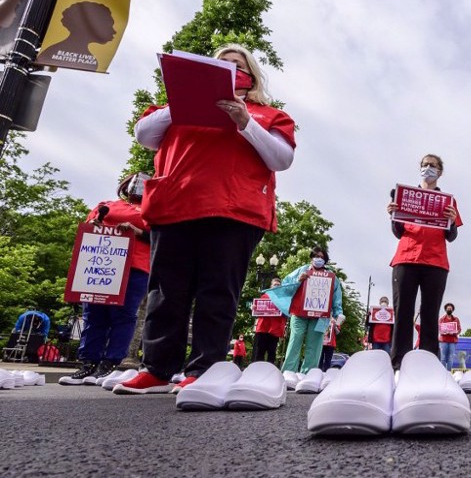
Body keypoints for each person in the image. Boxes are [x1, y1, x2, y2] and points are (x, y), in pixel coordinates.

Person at [119, 43, 296, 394]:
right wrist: (185, 100)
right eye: (221, 65)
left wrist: (245, 121)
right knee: (166, 290)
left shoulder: (268, 114)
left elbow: (281, 158)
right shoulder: (174, 110)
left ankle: (203, 370)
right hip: (175, 205)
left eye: (237, 65)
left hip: (233, 210)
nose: (230, 69)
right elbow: (145, 136)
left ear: (251, 76)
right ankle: (156, 368)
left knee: (217, 291)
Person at [60, 174, 152, 386]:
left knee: (124, 314)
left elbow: (160, 236)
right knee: (93, 313)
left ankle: (109, 364)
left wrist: (136, 231)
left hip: (135, 267)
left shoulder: (153, 210)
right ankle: (88, 363)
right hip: (101, 265)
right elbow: (88, 227)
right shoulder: (107, 205)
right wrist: (94, 223)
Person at [386, 154, 462, 368]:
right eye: (425, 165)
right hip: (406, 257)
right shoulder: (405, 196)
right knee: (403, 311)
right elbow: (398, 231)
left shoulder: (448, 201)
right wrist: (393, 214)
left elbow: (451, 236)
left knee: (430, 312)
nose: (428, 168)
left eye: (433, 165)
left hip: (435, 261)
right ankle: (399, 361)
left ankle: (428, 361)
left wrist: (452, 220)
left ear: (440, 171)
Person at [280, 247, 344, 375]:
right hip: (299, 314)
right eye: (316, 256)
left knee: (314, 346)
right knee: (295, 341)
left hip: (320, 317)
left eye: (321, 257)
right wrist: (298, 280)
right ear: (311, 257)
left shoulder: (332, 277)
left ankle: (308, 374)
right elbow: (285, 287)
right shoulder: (302, 271)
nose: (318, 259)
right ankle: (288, 373)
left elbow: (336, 296)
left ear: (325, 260)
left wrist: (339, 313)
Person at [252, 278, 286, 364]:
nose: (276, 286)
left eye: (278, 285)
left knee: (272, 353)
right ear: (271, 286)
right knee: (260, 352)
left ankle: (270, 373)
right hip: (263, 328)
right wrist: (254, 308)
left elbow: (286, 314)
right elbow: (257, 313)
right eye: (275, 284)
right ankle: (257, 371)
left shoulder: (283, 299)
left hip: (275, 330)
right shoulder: (264, 296)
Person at [438, 303, 461, 370]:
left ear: (452, 310)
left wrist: (455, 332)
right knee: (443, 358)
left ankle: (448, 373)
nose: (449, 310)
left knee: (450, 358)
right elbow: (440, 329)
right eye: (448, 309)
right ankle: (443, 372)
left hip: (452, 341)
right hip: (443, 341)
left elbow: (459, 329)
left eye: (450, 309)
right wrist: (444, 332)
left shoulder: (456, 319)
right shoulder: (441, 319)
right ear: (445, 310)